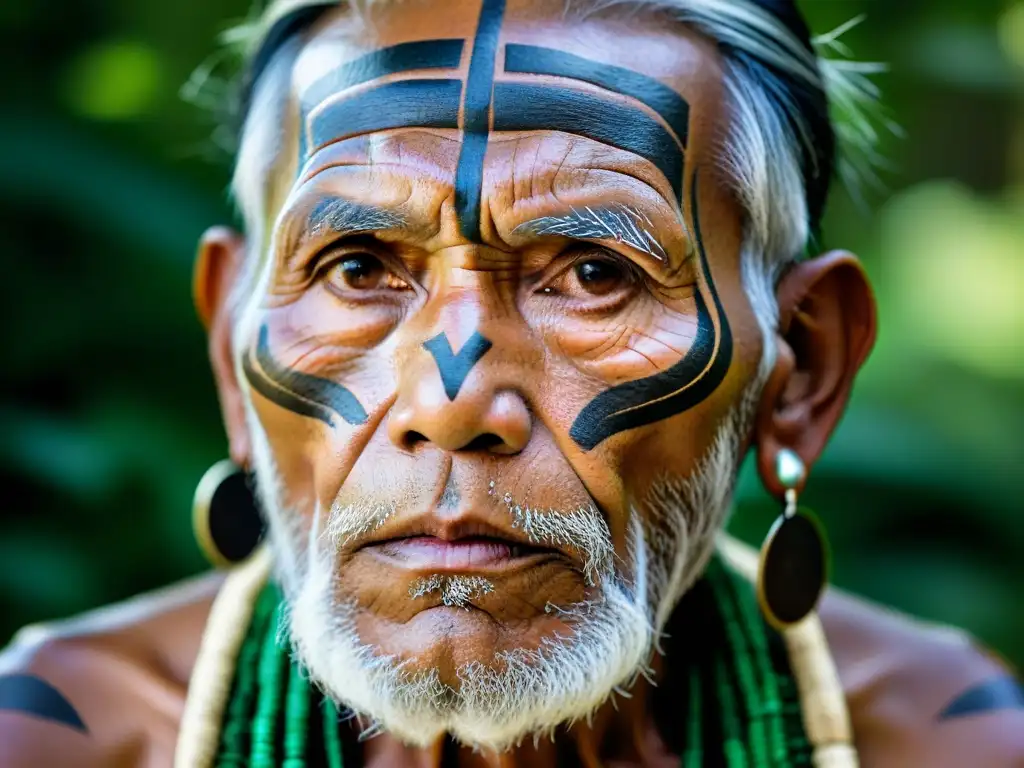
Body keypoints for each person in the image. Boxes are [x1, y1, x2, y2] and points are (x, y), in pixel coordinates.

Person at [2, 0, 1022, 765]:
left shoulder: (942, 741)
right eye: (357, 267)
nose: (453, 404)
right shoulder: (61, 736)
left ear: (803, 364)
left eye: (593, 273)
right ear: (233, 346)